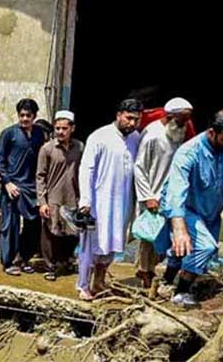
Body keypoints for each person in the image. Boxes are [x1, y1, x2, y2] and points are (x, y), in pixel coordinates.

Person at [154, 109, 223, 308]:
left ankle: (166, 279)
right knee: (205, 246)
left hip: (210, 211)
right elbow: (175, 191)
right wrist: (179, 227)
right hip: (185, 208)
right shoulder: (189, 152)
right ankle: (181, 291)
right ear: (211, 133)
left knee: (186, 249)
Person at [76, 99, 143, 300]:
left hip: (122, 202)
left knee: (113, 243)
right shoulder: (100, 136)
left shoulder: (136, 138)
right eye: (129, 118)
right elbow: (85, 169)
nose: (132, 123)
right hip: (98, 202)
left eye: (136, 120)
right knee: (91, 245)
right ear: (119, 115)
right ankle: (83, 285)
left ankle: (99, 281)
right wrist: (85, 200)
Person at [133, 97, 193, 287]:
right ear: (171, 117)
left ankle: (148, 271)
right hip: (152, 195)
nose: (186, 124)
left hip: (171, 197)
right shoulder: (153, 135)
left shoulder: (178, 133)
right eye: (183, 119)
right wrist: (148, 196)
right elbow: (139, 167)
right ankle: (145, 275)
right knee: (149, 238)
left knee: (162, 239)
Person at [0, 98, 45, 276]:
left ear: (34, 116)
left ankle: (23, 258)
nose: (25, 119)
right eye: (22, 115)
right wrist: (7, 182)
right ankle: (8, 262)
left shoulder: (40, 134)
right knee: (10, 226)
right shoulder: (9, 134)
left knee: (33, 224)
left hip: (31, 187)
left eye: (28, 115)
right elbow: (0, 161)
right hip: (12, 187)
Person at [36, 110, 83, 281]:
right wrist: (42, 202)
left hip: (72, 197)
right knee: (50, 233)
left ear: (72, 128)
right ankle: (50, 266)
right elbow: (40, 176)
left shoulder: (79, 147)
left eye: (64, 128)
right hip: (53, 198)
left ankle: (66, 261)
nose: (61, 132)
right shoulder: (47, 149)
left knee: (72, 233)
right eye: (57, 128)